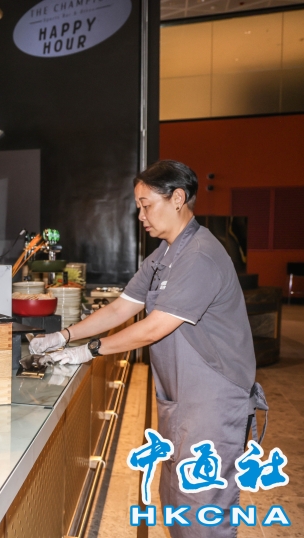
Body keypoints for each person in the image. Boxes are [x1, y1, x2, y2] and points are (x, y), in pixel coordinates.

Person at [30, 160, 265, 537]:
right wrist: (64, 336)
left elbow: (154, 327)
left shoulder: (200, 255)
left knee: (201, 504)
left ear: (177, 199)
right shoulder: (163, 255)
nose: (140, 215)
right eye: (138, 206)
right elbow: (122, 307)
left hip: (214, 396)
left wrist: (89, 350)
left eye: (146, 205)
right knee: (176, 494)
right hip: (182, 394)